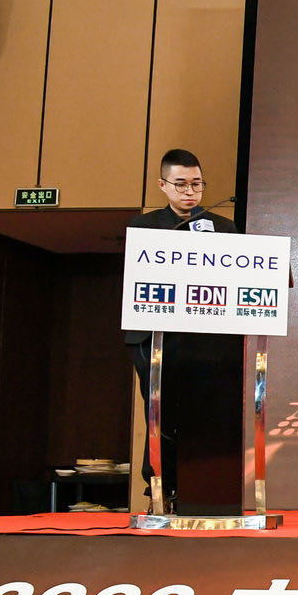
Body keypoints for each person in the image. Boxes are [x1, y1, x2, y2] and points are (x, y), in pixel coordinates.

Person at [124, 149, 236, 510]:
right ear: (163, 185)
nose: (190, 192)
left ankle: (200, 491)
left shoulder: (223, 228)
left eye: (197, 184)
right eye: (182, 184)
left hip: (204, 340)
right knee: (160, 412)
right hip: (154, 337)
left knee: (202, 413)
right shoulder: (144, 227)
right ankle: (159, 489)